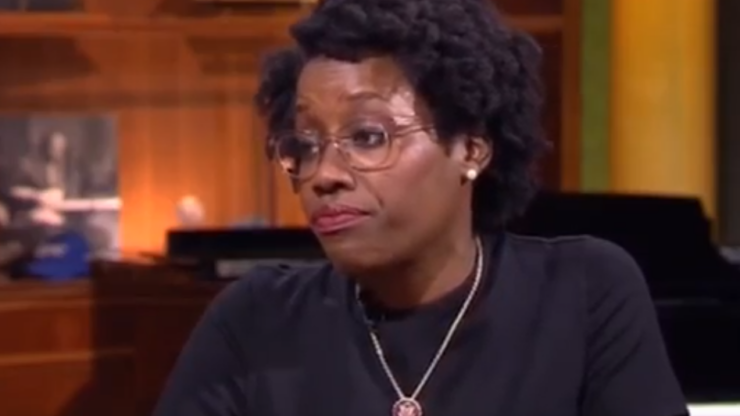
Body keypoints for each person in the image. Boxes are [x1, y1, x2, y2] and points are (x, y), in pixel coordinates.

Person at [153, 0, 688, 415]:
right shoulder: (256, 319)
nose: (324, 175)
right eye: (306, 145)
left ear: (471, 149)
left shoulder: (584, 294)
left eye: (368, 136)